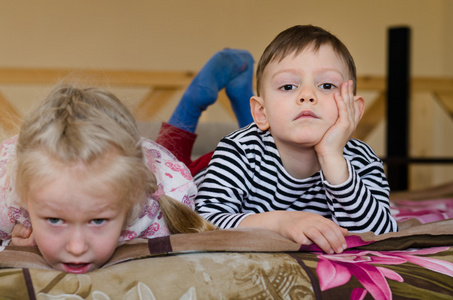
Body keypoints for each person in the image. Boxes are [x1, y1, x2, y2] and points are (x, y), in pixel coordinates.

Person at [194, 25, 398, 255]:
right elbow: (201, 223)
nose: (307, 95)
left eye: (327, 85)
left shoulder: (362, 159)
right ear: (261, 112)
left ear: (354, 109)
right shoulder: (239, 150)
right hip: (193, 173)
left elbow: (382, 234)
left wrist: (333, 158)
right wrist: (281, 223)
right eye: (288, 86)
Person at [0, 84, 215, 273]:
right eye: (55, 220)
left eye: (98, 220)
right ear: (25, 199)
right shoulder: (7, 195)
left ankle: (192, 102)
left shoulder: (157, 213)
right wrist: (10, 244)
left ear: (131, 200)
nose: (77, 248)